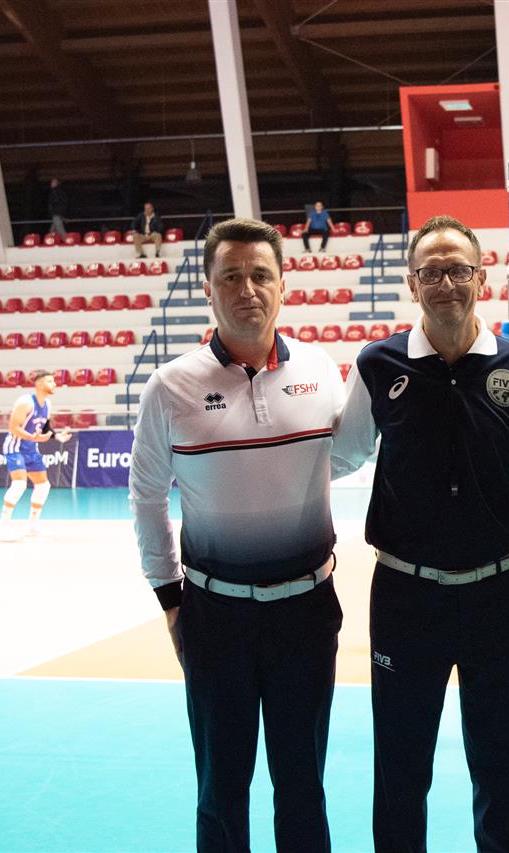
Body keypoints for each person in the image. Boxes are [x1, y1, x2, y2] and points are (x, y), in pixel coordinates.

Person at [331, 214, 509, 852]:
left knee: (499, 769)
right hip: (406, 598)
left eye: (458, 269)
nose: (445, 283)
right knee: (401, 769)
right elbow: (340, 455)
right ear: (412, 283)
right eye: (430, 271)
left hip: (497, 597)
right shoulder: (378, 364)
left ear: (480, 279)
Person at [129, 217, 346, 850]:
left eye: (260, 275)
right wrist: (169, 598)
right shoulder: (170, 387)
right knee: (221, 788)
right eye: (231, 277)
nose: (247, 289)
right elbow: (146, 496)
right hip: (215, 616)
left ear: (283, 285)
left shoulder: (320, 370)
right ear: (207, 288)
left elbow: (352, 456)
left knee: (303, 784)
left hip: (306, 611)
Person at [0, 370, 71, 540]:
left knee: (43, 486)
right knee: (19, 484)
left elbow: (44, 426)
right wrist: (33, 437)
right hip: (15, 447)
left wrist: (56, 436)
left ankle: (32, 526)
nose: (54, 384)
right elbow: (13, 428)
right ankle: (2, 528)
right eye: (49, 381)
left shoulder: (48, 404)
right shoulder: (25, 402)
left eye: (54, 381)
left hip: (31, 448)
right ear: (38, 384)